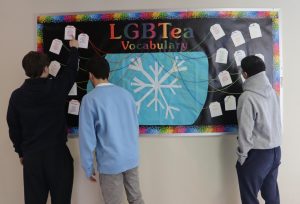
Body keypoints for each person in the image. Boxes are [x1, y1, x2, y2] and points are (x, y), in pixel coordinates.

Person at [6, 38, 79, 204]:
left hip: (32, 158)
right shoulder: (55, 88)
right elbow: (71, 72)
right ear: (46, 68)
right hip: (58, 156)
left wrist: (21, 152)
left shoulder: (17, 96)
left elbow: (13, 128)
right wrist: (74, 49)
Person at [79, 56, 144, 204]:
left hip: (110, 162)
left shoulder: (90, 100)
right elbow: (135, 127)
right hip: (131, 157)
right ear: (108, 74)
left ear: (90, 75)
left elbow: (87, 138)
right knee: (136, 199)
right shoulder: (126, 95)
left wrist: (88, 167)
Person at [236, 55, 282, 204]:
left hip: (258, 154)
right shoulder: (273, 93)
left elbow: (245, 131)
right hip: (275, 151)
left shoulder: (247, 97)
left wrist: (242, 156)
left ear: (245, 74)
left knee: (249, 197)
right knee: (271, 195)